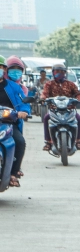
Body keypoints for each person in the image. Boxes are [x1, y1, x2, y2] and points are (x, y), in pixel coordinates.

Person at [1, 57, 32, 187]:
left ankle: (14, 173)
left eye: (0, 67)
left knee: (19, 142)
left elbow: (23, 103)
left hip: (8, 123)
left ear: (4, 70)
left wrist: (24, 112)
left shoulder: (14, 87)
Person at [40, 64, 80, 152]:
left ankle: (78, 141)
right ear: (53, 73)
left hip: (69, 109)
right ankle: (48, 142)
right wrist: (42, 99)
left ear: (65, 73)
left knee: (79, 120)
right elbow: (44, 93)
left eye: (62, 72)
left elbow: (78, 93)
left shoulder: (71, 84)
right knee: (46, 118)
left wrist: (78, 99)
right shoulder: (49, 84)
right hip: (54, 109)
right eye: (57, 71)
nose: (59, 73)